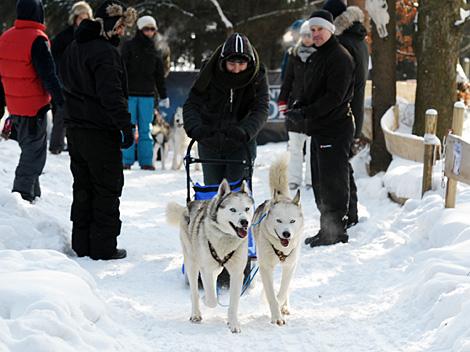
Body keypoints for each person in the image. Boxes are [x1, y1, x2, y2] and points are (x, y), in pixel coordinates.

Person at [59, 0, 137, 260]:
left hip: (76, 130)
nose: (122, 32)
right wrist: (126, 126)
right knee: (106, 187)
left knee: (83, 187)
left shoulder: (74, 46)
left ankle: (82, 244)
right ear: (111, 25)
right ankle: (103, 248)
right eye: (120, 26)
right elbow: (111, 95)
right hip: (99, 132)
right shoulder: (104, 52)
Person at [286, 10, 355, 247]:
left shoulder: (339, 57)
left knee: (332, 181)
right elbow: (310, 88)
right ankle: (327, 228)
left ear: (330, 30)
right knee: (319, 180)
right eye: (312, 30)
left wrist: (307, 112)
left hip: (335, 127)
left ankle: (336, 231)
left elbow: (334, 97)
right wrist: (299, 105)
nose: (315, 34)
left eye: (319, 29)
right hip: (319, 127)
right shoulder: (319, 56)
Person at [183, 33, 269, 185]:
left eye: (241, 64)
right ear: (223, 62)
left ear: (249, 63)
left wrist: (246, 130)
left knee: (237, 197)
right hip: (209, 141)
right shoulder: (209, 72)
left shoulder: (258, 76)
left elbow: (261, 108)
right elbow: (192, 103)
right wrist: (195, 127)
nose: (236, 69)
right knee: (212, 193)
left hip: (240, 143)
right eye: (232, 64)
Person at [0, 0, 64, 203]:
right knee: (34, 156)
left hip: (14, 105)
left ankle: (34, 195)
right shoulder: (36, 39)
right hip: (33, 106)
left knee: (30, 151)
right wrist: (60, 101)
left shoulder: (6, 37)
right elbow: (48, 74)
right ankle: (21, 196)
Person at [323, 0, 369, 227]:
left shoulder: (343, 44)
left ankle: (341, 219)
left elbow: (339, 84)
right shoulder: (358, 38)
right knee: (343, 164)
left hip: (343, 114)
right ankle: (350, 213)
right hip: (354, 111)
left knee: (337, 168)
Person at [121, 15, 169, 170]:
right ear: (140, 29)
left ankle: (146, 161)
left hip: (148, 95)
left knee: (146, 129)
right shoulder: (128, 46)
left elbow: (159, 76)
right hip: (129, 95)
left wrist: (163, 95)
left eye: (152, 29)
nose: (150, 32)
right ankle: (125, 160)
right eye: (146, 29)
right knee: (128, 127)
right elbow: (121, 70)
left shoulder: (156, 50)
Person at [49, 1, 93, 155]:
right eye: (80, 17)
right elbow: (54, 53)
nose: (83, 20)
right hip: (65, 79)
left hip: (84, 80)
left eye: (85, 17)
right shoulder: (66, 35)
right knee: (62, 112)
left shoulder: (92, 36)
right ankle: (56, 145)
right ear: (74, 18)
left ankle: (78, 145)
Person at [278, 20, 316, 191]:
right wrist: (283, 100)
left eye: (310, 35)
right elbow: (287, 80)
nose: (307, 39)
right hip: (295, 107)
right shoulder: (293, 54)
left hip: (313, 109)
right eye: (304, 35)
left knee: (311, 148)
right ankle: (294, 179)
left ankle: (310, 179)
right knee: (295, 148)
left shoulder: (321, 55)